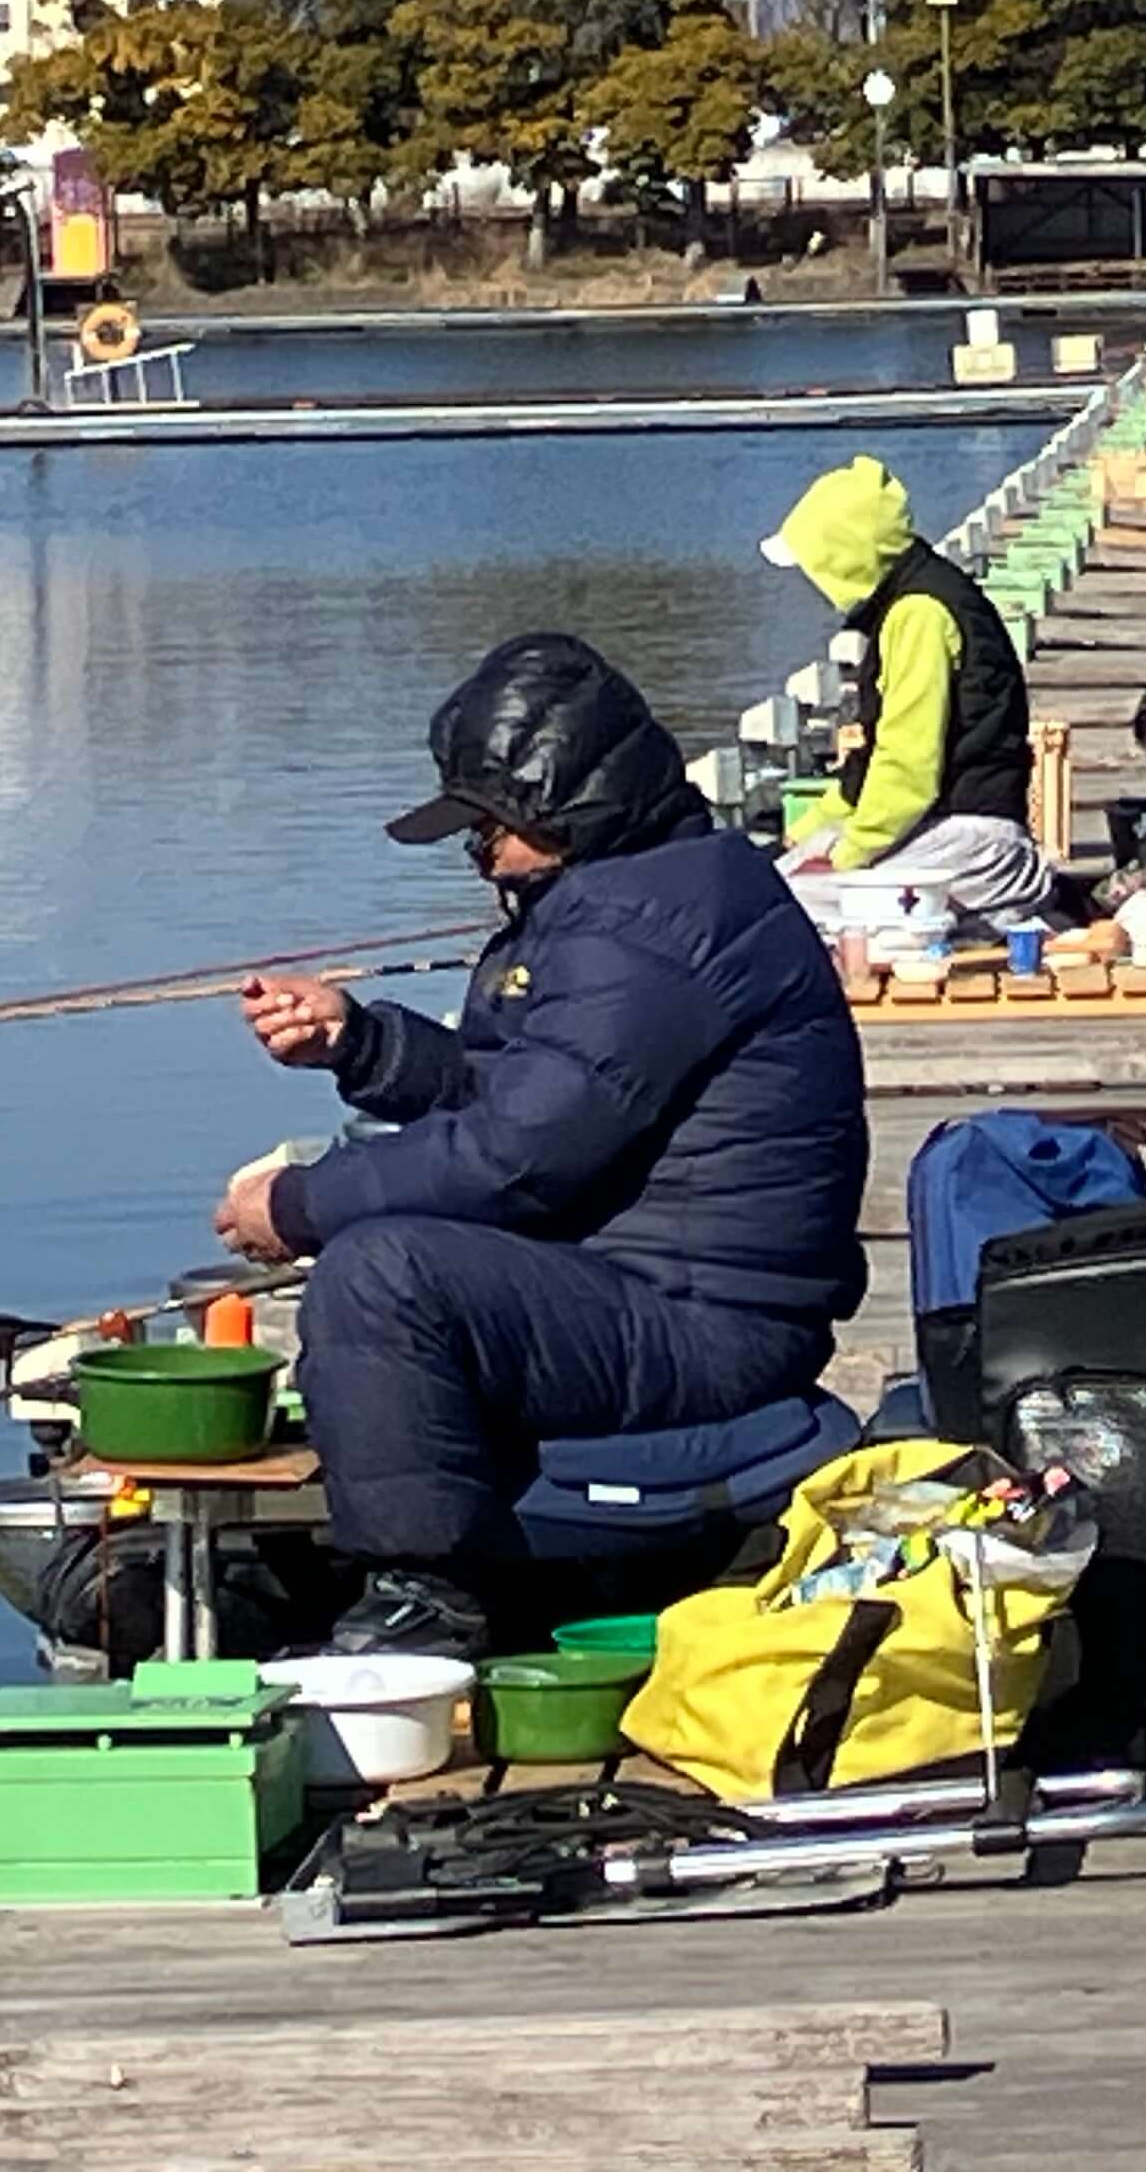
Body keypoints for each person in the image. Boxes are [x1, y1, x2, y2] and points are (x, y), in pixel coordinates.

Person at [213, 632, 868, 1657]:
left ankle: (425, 1601)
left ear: (570, 800)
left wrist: (298, 1207)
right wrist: (365, 1043)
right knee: (387, 1252)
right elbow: (534, 1099)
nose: (478, 849)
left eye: (490, 824)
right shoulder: (639, 894)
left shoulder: (643, 927)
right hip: (641, 1284)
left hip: (705, 1323)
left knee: (380, 1276)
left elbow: (518, 1160)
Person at [760, 457, 1057, 924]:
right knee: (773, 880)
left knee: (785, 909)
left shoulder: (919, 615)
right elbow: (871, 768)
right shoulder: (912, 600)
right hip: (943, 826)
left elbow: (908, 768)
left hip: (973, 836)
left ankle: (1005, 903)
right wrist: (801, 837)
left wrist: (845, 855)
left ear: (842, 556)